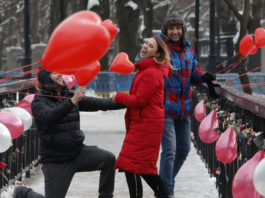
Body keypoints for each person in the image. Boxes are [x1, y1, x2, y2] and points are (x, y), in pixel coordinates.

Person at [13, 69, 124, 198]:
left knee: (108, 159)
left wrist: (130, 101)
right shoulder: (39, 101)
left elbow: (100, 104)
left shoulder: (69, 95)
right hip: (56, 160)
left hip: (78, 153)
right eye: (54, 73)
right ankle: (24, 193)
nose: (60, 74)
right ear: (46, 79)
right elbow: (49, 117)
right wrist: (72, 101)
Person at [158, 13, 218, 198]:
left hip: (183, 108)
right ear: (166, 30)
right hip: (165, 107)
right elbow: (142, 62)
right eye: (171, 28)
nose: (175, 31)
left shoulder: (188, 49)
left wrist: (204, 77)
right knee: (169, 151)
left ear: (182, 30)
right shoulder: (159, 47)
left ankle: (163, 185)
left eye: (178, 28)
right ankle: (166, 191)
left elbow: (193, 72)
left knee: (184, 149)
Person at [112, 36, 170, 198]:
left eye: (150, 46)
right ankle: (164, 195)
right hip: (144, 123)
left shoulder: (151, 72)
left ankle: (163, 194)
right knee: (140, 166)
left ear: (157, 54)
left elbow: (140, 100)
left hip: (147, 125)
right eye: (146, 43)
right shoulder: (145, 69)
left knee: (133, 166)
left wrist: (118, 97)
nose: (145, 46)